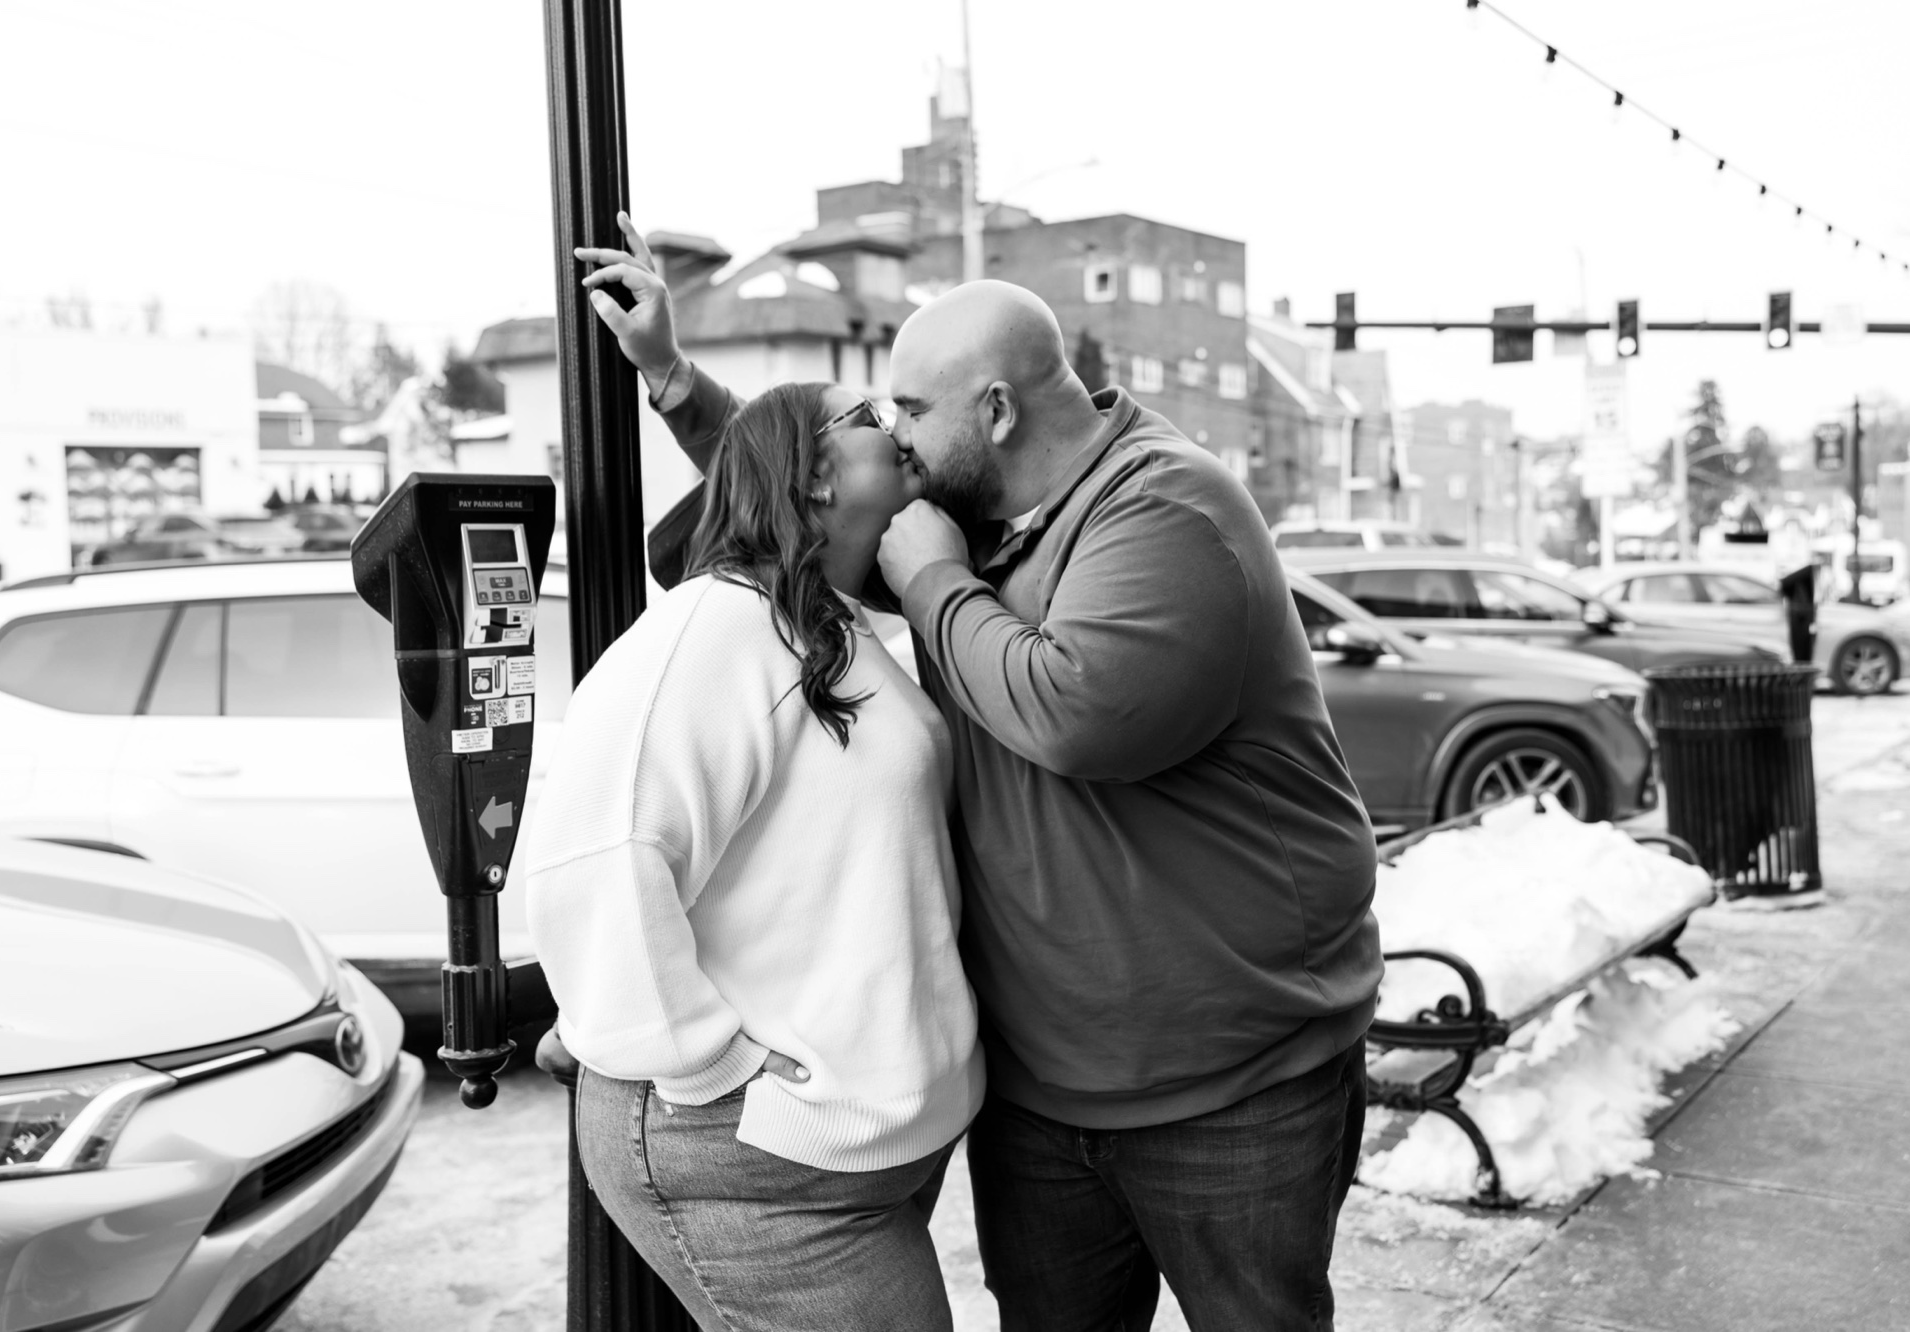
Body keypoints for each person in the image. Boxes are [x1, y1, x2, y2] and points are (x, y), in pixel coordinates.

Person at [579, 214, 1383, 1332]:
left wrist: (933, 583)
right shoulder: (968, 510)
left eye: (911, 409)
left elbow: (1074, 710)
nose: (897, 439)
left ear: (995, 412)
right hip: (1040, 1095)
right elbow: (813, 495)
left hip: (1228, 1088)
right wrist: (671, 379)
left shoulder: (1164, 505)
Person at [523, 373, 985, 1330]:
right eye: (867, 418)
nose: (898, 426)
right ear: (809, 476)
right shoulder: (712, 630)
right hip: (760, 1160)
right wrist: (706, 1069)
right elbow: (599, 855)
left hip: (858, 1143)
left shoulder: (846, 628)